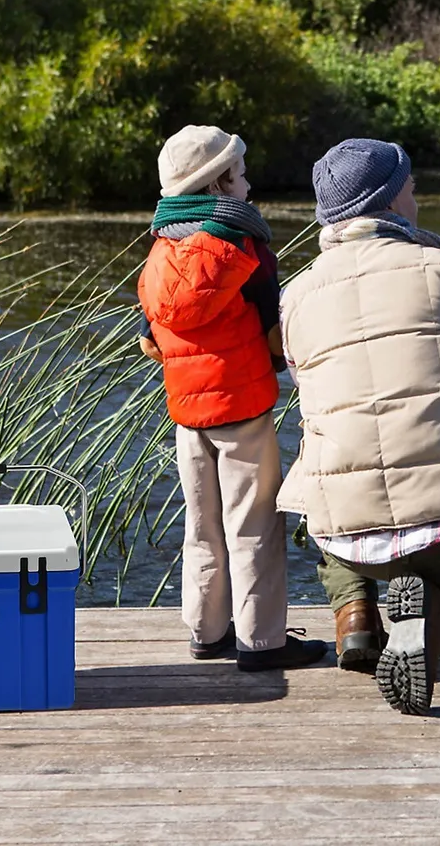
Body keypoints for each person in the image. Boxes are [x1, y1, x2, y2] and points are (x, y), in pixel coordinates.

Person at [277, 137, 440, 712]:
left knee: (326, 503)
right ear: (392, 202)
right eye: (413, 190)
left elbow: (309, 383)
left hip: (350, 535)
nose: (417, 201)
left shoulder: (292, 298)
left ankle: (357, 619)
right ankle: (439, 620)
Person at [137, 124, 327, 672]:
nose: (248, 183)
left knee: (201, 527)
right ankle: (263, 643)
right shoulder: (243, 248)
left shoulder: (156, 254)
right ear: (218, 185)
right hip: (243, 412)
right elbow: (274, 333)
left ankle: (205, 631)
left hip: (187, 416)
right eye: (240, 174)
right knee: (253, 528)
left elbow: (150, 342)